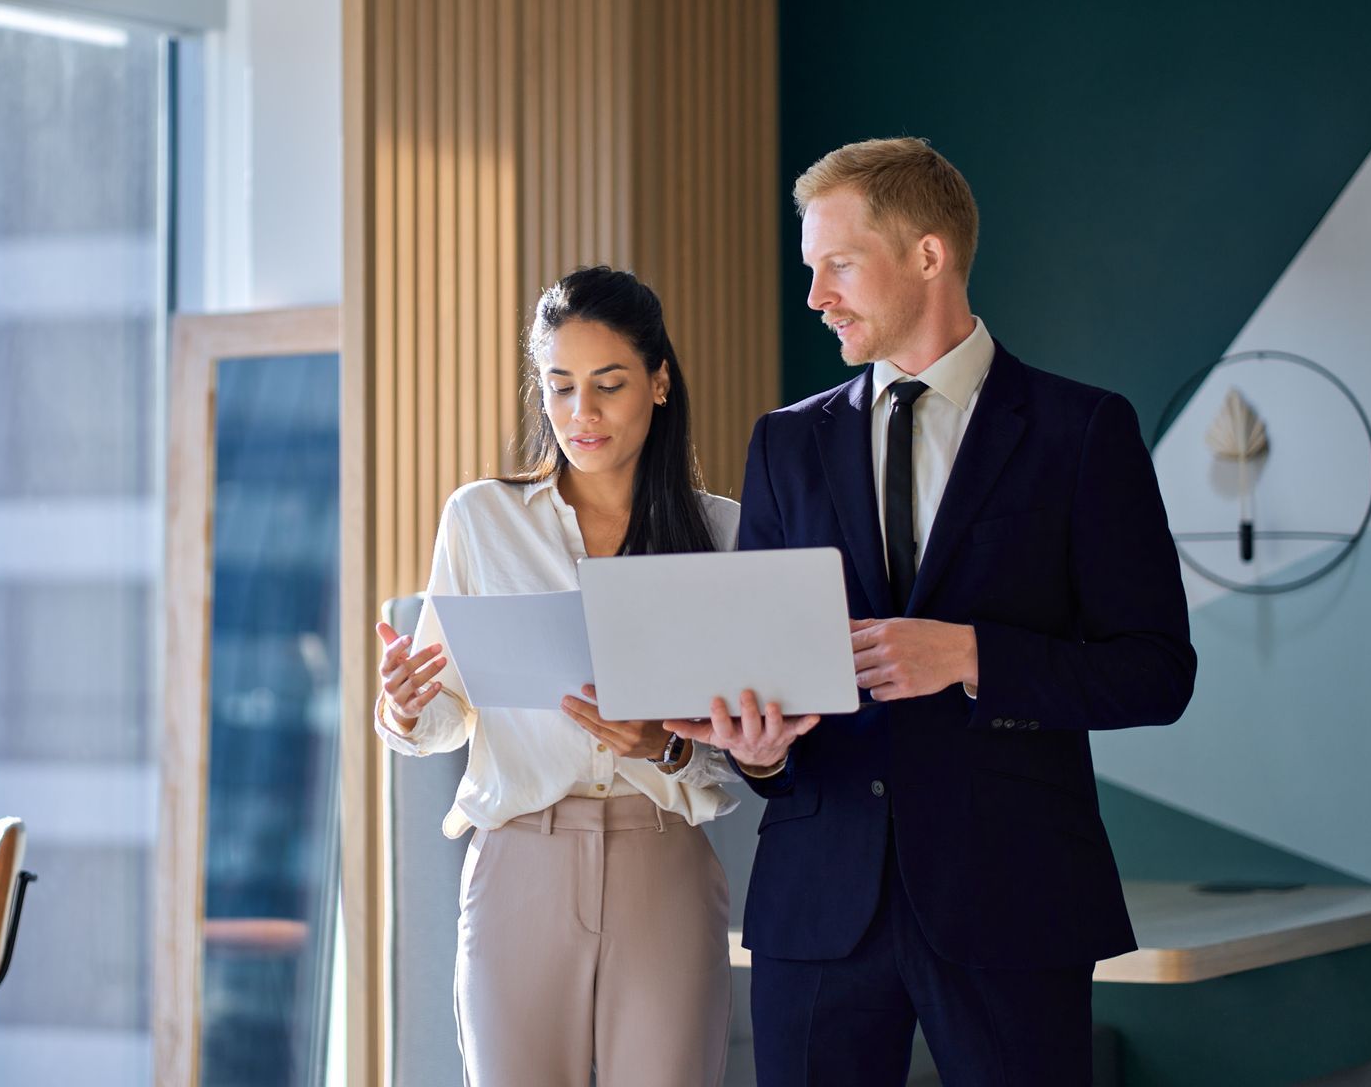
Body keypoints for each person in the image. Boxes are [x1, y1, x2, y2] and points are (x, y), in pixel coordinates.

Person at [668, 138, 1196, 1085]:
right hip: (819, 903)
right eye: (810, 270)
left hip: (1013, 896)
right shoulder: (786, 444)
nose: (815, 296)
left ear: (927, 254)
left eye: (837, 264)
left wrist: (970, 656)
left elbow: (1158, 670)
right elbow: (766, 675)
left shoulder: (1082, 432)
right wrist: (761, 748)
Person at [375, 265, 740, 1087]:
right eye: (561, 385)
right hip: (519, 867)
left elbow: (743, 752)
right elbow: (443, 717)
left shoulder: (724, 533)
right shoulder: (481, 518)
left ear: (659, 381)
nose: (584, 413)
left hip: (665, 867)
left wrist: (668, 746)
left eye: (608, 385)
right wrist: (404, 705)